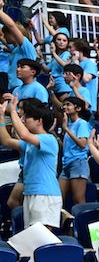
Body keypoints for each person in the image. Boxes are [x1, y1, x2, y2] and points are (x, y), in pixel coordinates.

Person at [0, 98, 62, 229]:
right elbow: (6, 141)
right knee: (32, 234)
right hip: (30, 192)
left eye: (27, 118)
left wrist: (12, 112)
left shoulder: (49, 139)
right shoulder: (30, 143)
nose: (23, 121)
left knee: (41, 236)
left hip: (45, 193)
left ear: (39, 121)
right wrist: (1, 118)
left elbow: (23, 134)